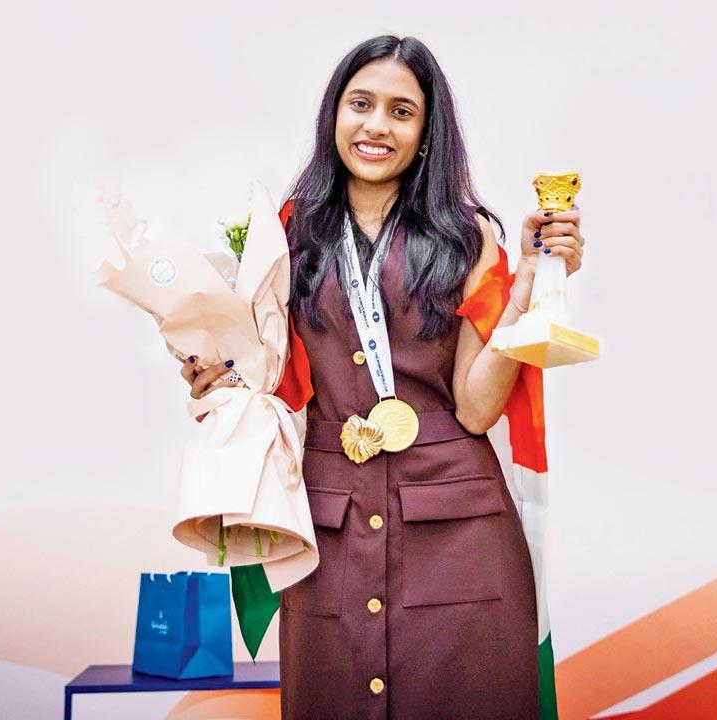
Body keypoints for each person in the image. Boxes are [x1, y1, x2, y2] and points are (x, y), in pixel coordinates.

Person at [182, 34, 585, 719]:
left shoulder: (467, 238)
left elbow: (476, 408)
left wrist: (527, 284)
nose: (376, 125)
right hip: (330, 528)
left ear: (427, 134)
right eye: (360, 104)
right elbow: (261, 375)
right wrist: (216, 378)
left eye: (402, 112)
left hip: (459, 533)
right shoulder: (284, 236)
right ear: (333, 114)